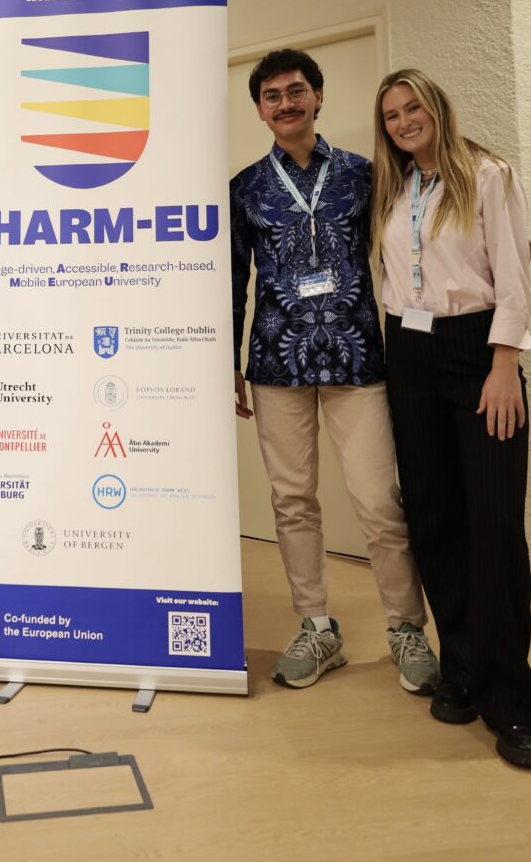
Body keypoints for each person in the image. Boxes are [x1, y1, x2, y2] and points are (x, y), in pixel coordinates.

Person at [230, 48, 439, 692]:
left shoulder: (365, 175)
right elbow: (233, 283)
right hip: (277, 362)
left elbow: (409, 254)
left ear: (318, 97)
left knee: (379, 502)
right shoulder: (244, 189)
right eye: (272, 96)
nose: (285, 103)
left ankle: (406, 628)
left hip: (356, 357)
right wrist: (227, 361)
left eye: (296, 91)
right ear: (260, 110)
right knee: (292, 501)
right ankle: (317, 627)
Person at [372, 68, 531, 768]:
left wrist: (504, 364)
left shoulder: (488, 175)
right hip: (408, 355)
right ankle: (462, 668)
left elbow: (518, 276)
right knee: (434, 518)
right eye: (392, 115)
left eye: (413, 108)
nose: (404, 122)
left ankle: (511, 694)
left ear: (437, 108)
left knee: (493, 524)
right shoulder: (394, 184)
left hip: (477, 355)